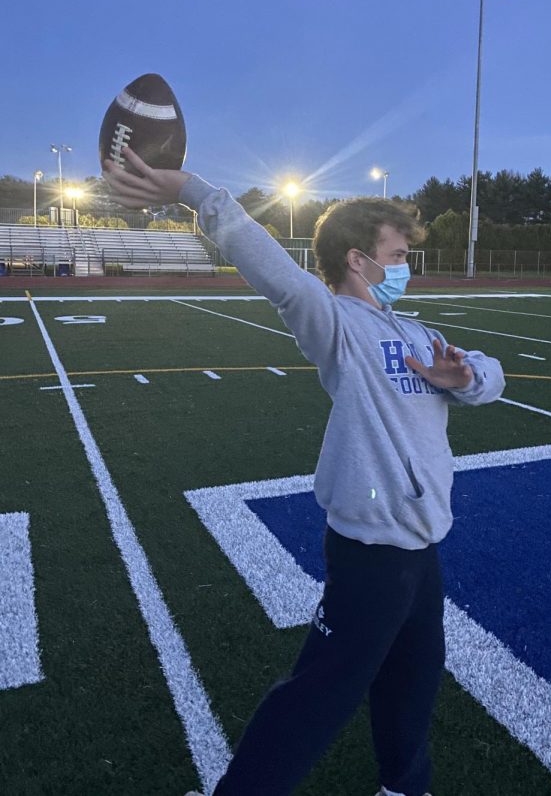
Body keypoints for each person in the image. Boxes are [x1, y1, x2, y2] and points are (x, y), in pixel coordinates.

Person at [105, 147, 506, 796]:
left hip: (422, 543)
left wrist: (467, 375)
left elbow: (490, 375)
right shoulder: (335, 324)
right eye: (397, 255)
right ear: (358, 260)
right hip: (371, 547)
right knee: (319, 693)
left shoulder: (411, 333)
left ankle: (405, 786)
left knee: (414, 674)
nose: (405, 267)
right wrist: (195, 190)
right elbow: (276, 273)